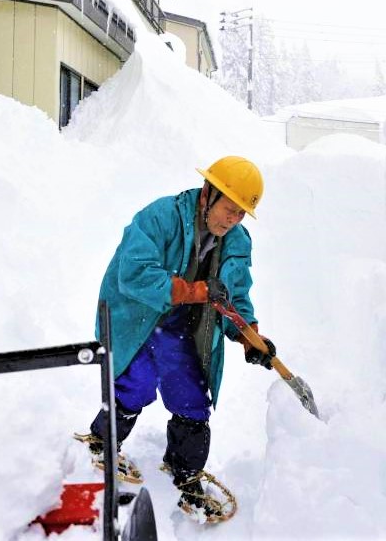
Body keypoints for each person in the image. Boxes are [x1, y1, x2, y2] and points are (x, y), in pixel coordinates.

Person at [78, 155, 276, 521]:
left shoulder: (236, 240)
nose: (232, 220)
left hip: (181, 325)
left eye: (240, 214)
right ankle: (101, 442)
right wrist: (198, 291)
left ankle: (185, 474)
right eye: (228, 209)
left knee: (191, 397)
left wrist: (248, 335)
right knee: (134, 384)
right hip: (136, 315)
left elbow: (235, 295)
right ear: (207, 194)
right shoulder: (160, 217)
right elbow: (133, 275)